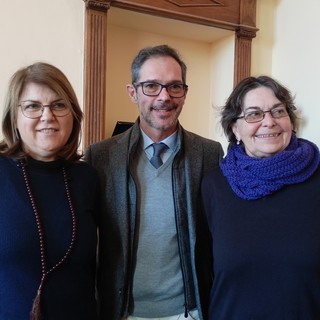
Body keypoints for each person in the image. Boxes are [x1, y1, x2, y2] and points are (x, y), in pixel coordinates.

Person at [85, 44, 224, 320]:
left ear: (185, 94)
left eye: (174, 87)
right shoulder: (101, 156)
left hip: (189, 312)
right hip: (122, 313)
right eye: (151, 86)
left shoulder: (210, 154)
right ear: (133, 92)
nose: (164, 97)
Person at [201, 75, 320, 319]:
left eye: (278, 111)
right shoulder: (214, 185)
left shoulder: (317, 177)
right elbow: (202, 272)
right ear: (235, 127)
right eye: (254, 114)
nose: (269, 122)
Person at [0, 62, 100, 320]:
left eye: (58, 105)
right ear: (14, 116)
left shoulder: (87, 177)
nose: (47, 116)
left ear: (73, 114)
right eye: (32, 106)